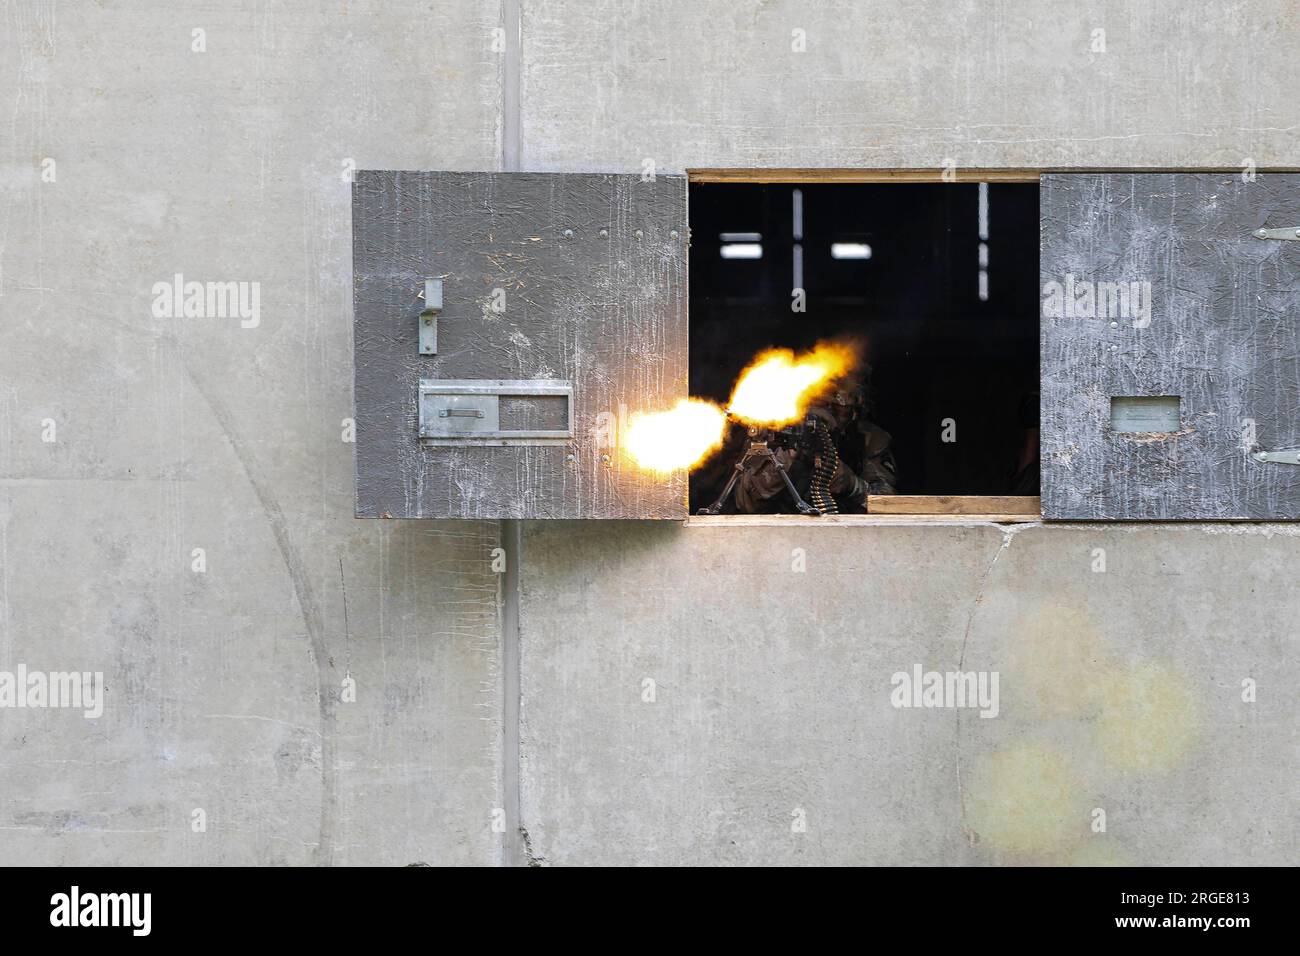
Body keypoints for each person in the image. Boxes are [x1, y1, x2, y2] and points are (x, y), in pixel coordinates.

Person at [733, 372, 897, 514]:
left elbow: (891, 504)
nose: (827, 415)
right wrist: (782, 461)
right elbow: (743, 502)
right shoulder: (773, 431)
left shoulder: (869, 438)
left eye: (840, 409)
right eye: (821, 404)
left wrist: (851, 484)